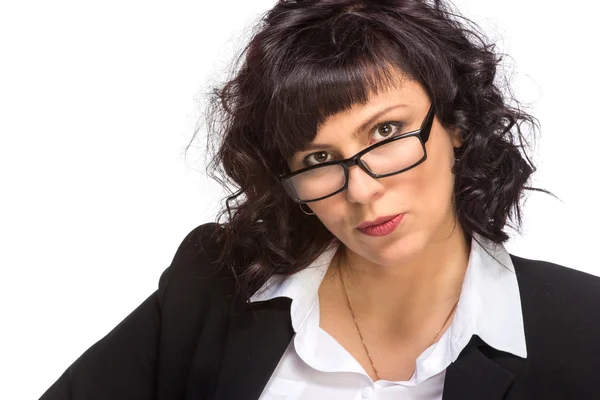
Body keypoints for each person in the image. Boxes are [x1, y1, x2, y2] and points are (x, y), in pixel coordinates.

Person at [39, 0, 600, 399]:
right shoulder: (213, 287)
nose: (360, 190)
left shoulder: (583, 325)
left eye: (385, 133)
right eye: (317, 160)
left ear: (456, 122)